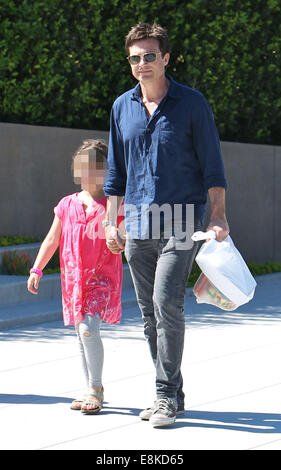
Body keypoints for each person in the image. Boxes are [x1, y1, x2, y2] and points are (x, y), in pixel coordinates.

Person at [103, 22, 229, 427]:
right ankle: (173, 390)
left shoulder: (192, 105)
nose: (143, 64)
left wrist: (219, 214)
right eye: (135, 58)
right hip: (138, 221)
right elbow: (115, 171)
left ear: (166, 58)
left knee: (165, 303)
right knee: (148, 315)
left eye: (150, 56)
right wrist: (111, 222)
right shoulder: (121, 107)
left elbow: (213, 164)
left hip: (182, 219)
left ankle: (163, 396)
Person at [27, 139, 125, 415]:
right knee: (81, 334)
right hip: (73, 280)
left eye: (93, 167)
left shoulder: (114, 204)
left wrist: (122, 241)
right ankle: (91, 388)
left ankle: (95, 388)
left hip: (102, 277)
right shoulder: (67, 204)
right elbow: (52, 239)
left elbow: (126, 232)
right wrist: (37, 268)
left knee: (87, 329)